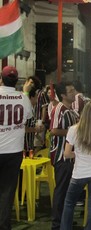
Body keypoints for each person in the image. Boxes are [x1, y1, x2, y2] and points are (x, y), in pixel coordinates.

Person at [60, 100, 91, 230]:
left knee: (69, 203)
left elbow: (66, 154)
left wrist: (77, 154)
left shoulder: (73, 130)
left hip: (79, 174)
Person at [0, 66, 33, 229]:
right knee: (7, 191)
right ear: (16, 81)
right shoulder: (23, 98)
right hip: (14, 151)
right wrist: (26, 92)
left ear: (1, 79)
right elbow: (28, 117)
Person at [50, 81, 79, 230]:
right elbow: (54, 130)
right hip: (62, 156)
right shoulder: (59, 109)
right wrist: (73, 133)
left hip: (70, 156)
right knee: (61, 191)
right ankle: (57, 224)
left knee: (68, 191)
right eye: (71, 91)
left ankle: (65, 220)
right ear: (62, 95)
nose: (74, 93)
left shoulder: (72, 110)